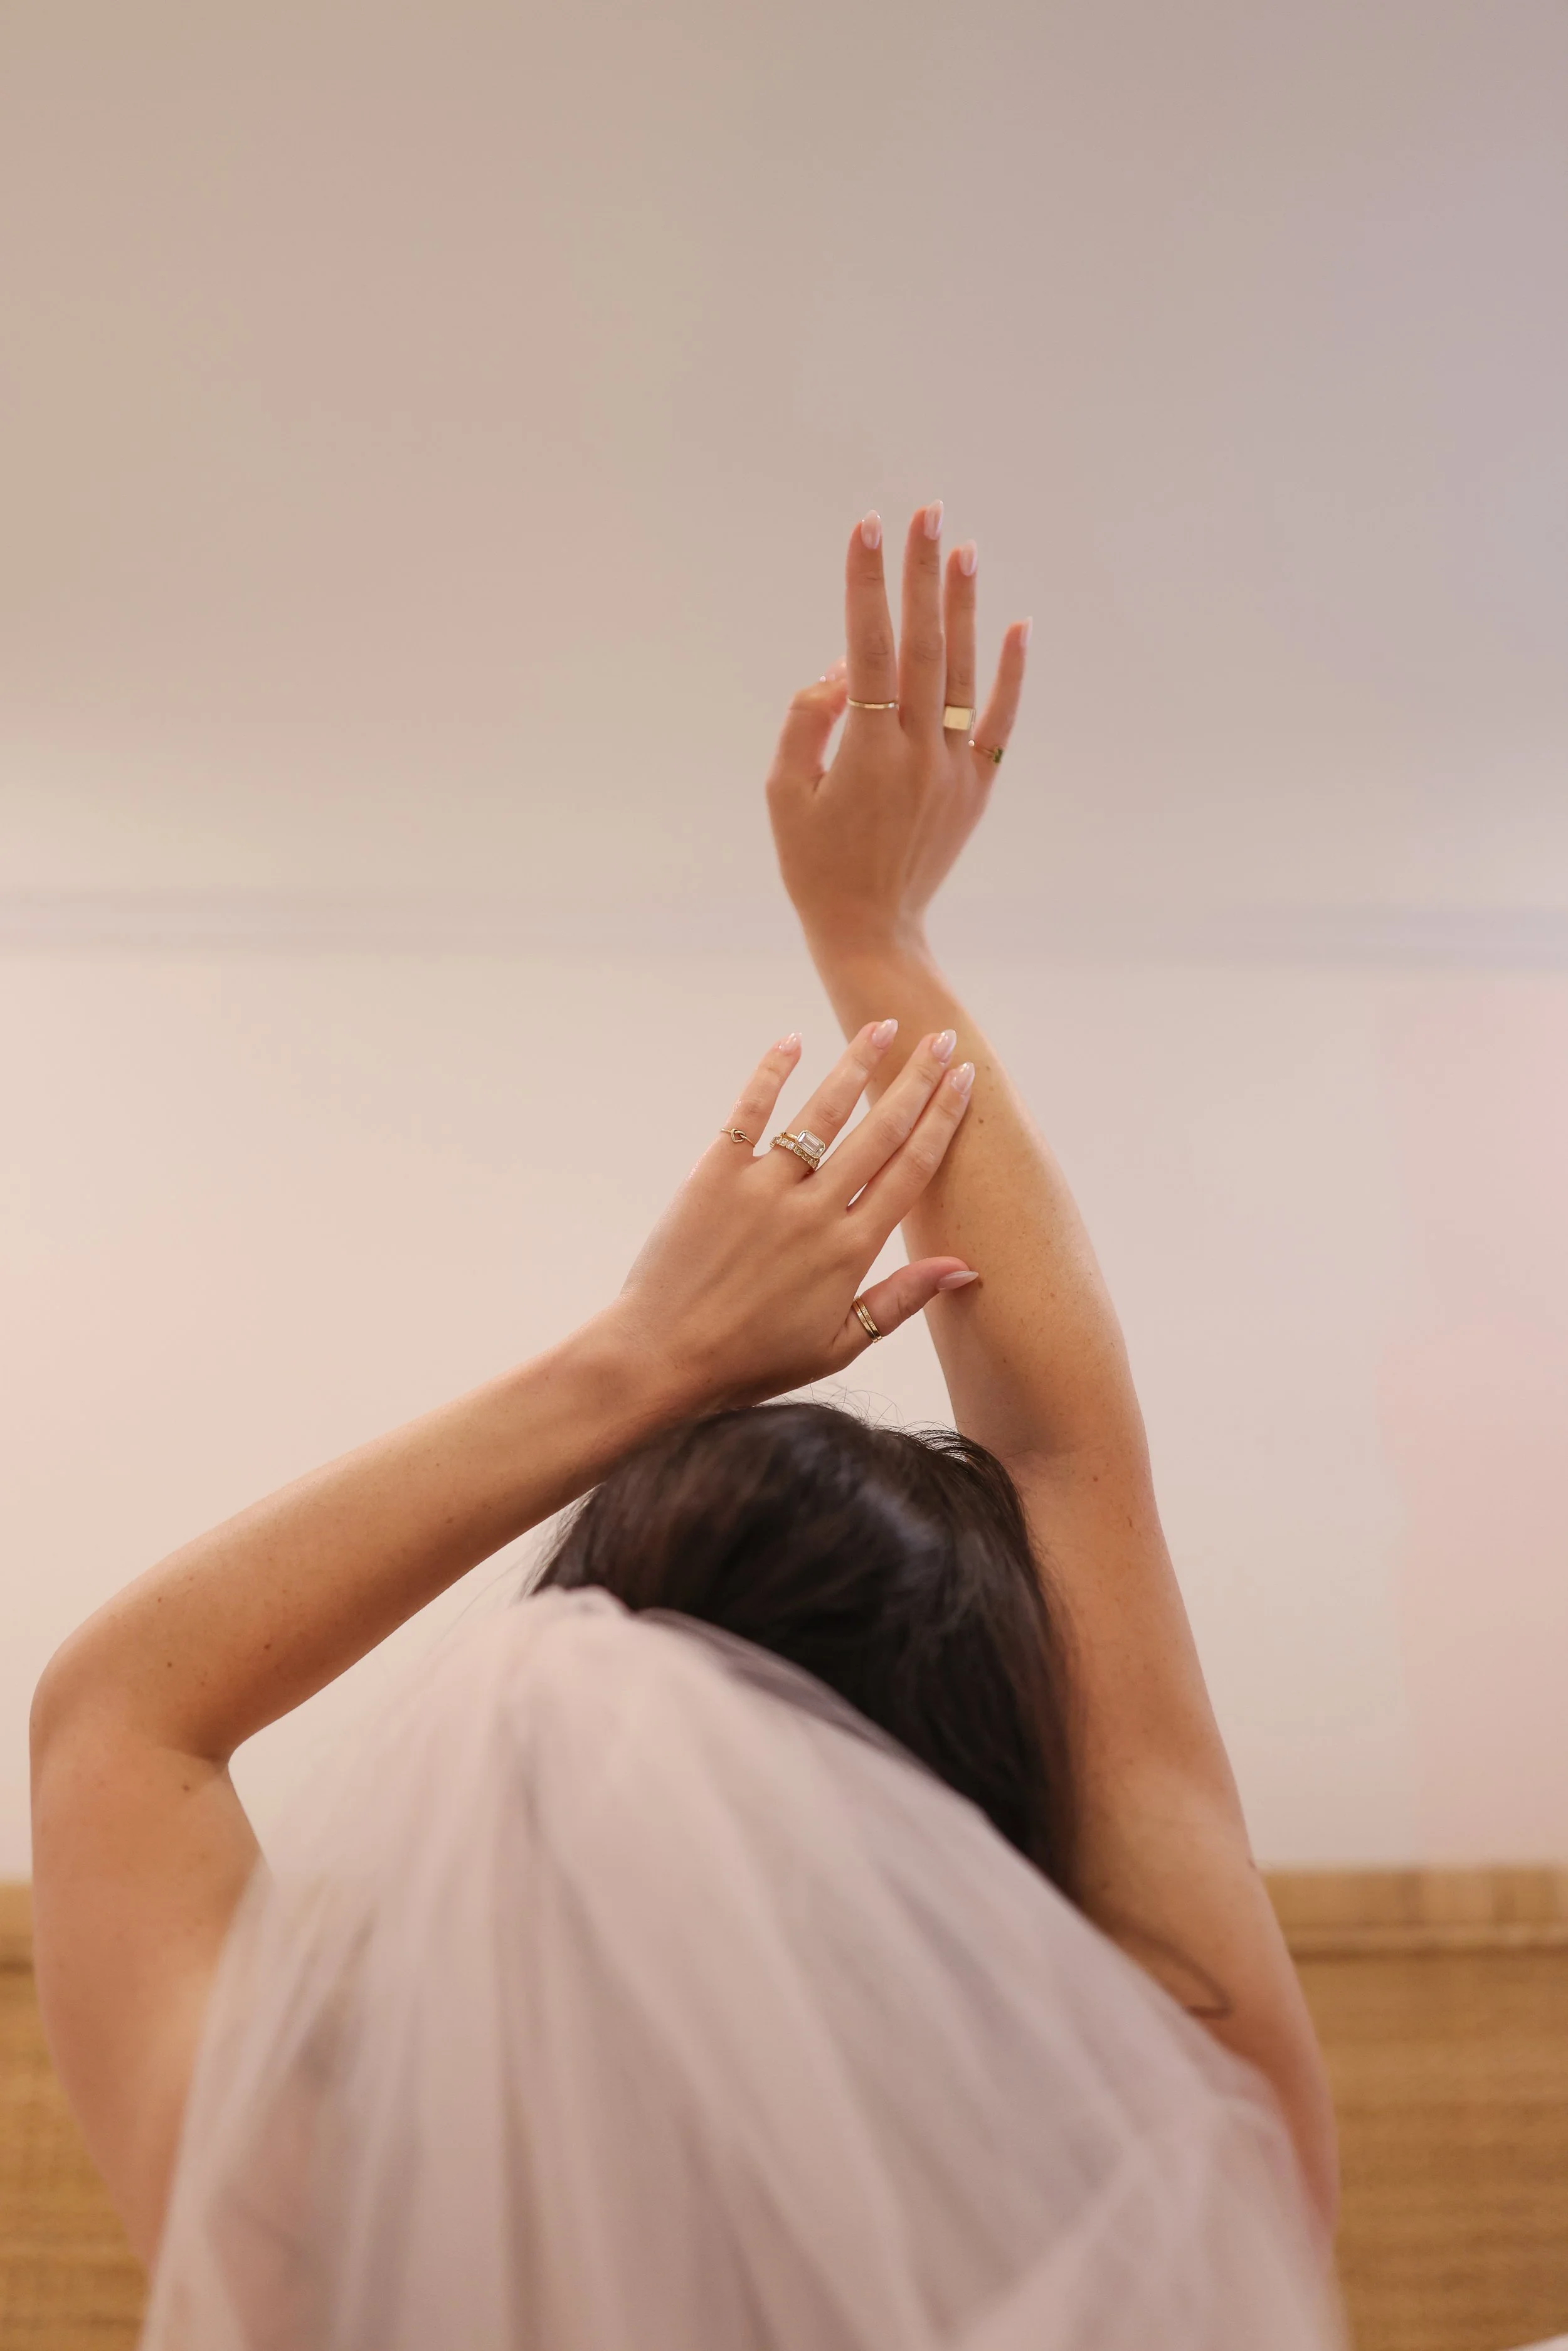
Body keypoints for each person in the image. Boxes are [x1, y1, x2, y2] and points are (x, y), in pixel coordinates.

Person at [29, 506, 1342, 2349]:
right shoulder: (1184, 2152)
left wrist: (641, 1356)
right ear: (991, 1797)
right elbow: (1067, 1457)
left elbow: (114, 1721)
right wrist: (874, 933)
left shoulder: (317, 2222)